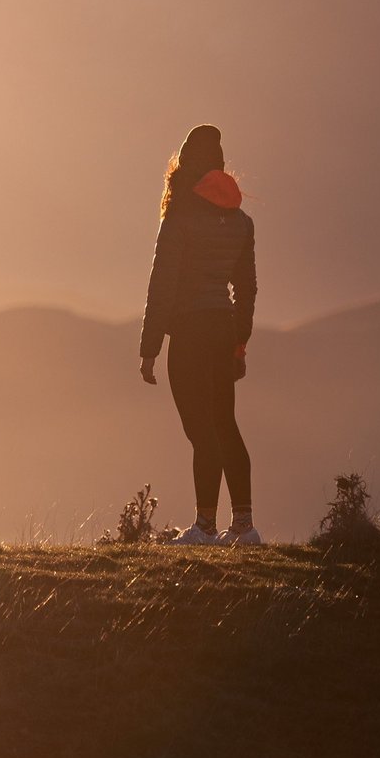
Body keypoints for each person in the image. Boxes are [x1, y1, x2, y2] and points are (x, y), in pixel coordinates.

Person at [138, 124, 260, 545]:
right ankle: (243, 526)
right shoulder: (241, 222)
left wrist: (149, 349)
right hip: (223, 329)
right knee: (226, 424)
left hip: (189, 331)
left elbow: (162, 286)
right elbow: (246, 289)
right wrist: (239, 342)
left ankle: (205, 527)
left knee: (200, 431)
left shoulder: (179, 219)